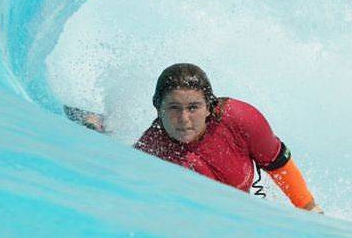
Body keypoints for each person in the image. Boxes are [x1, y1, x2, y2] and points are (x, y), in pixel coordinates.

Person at [64, 63, 323, 213]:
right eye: (173, 108)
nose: (184, 119)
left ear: (209, 106)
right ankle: (100, 126)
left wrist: (309, 209)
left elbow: (277, 162)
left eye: (193, 108)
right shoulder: (152, 150)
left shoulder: (241, 119)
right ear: (158, 107)